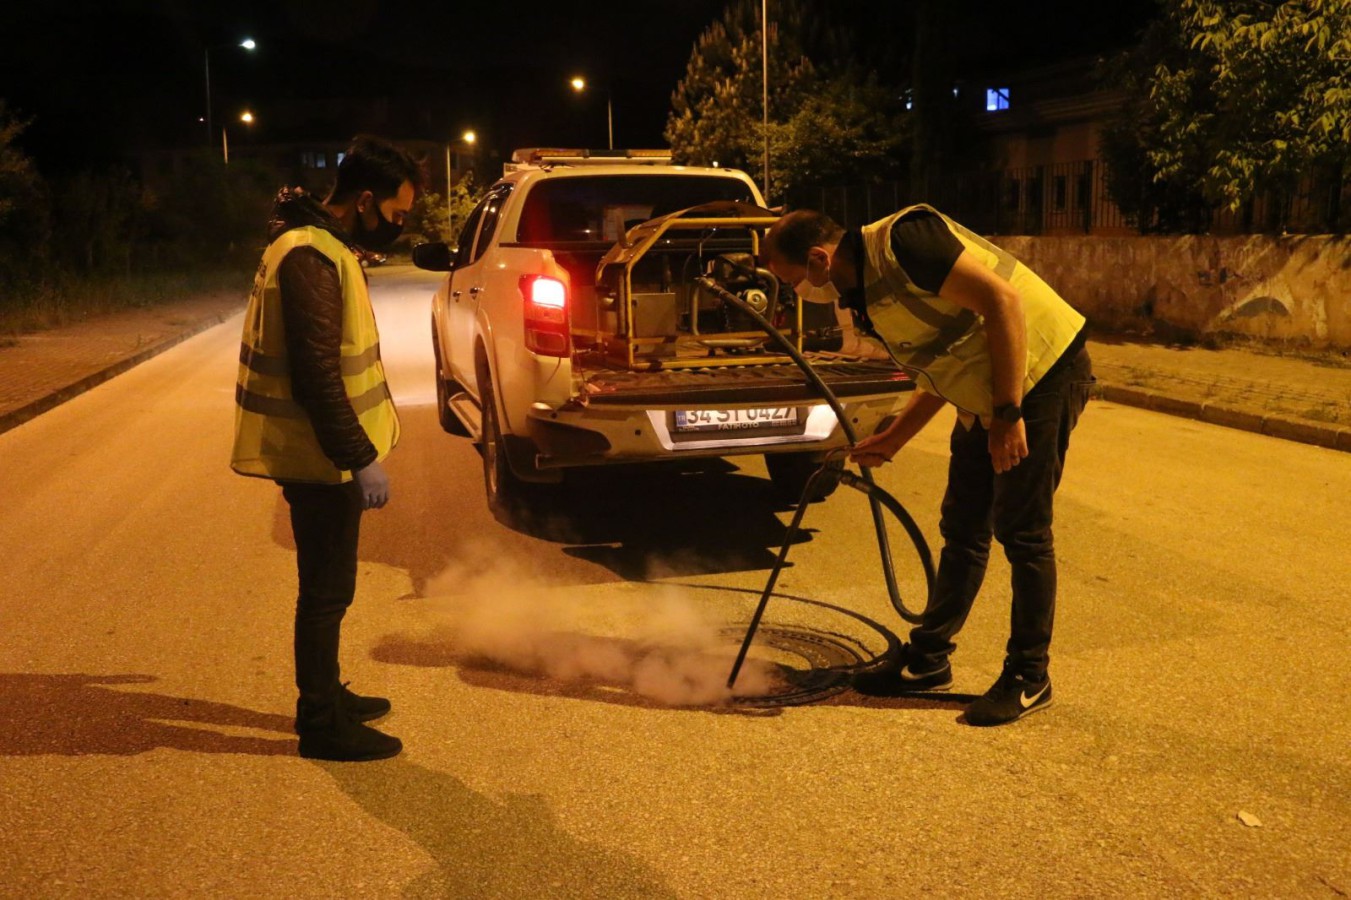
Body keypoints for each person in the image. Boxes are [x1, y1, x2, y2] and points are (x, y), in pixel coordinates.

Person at [763, 205, 1094, 726]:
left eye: (792, 281)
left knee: (1023, 531)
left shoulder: (905, 241)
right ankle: (927, 659)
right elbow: (947, 358)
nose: (797, 294)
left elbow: (1002, 301)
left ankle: (1031, 676)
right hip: (993, 386)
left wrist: (1009, 415)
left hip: (1043, 370)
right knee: (963, 525)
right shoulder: (869, 290)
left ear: (818, 260)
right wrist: (895, 436)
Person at [231, 135, 420, 760]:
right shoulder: (310, 255)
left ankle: (327, 694)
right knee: (325, 592)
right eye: (396, 214)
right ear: (364, 200)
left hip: (323, 455)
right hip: (319, 458)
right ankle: (319, 721)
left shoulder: (314, 242)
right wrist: (358, 457)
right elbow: (317, 374)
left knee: (328, 588)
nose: (400, 225)